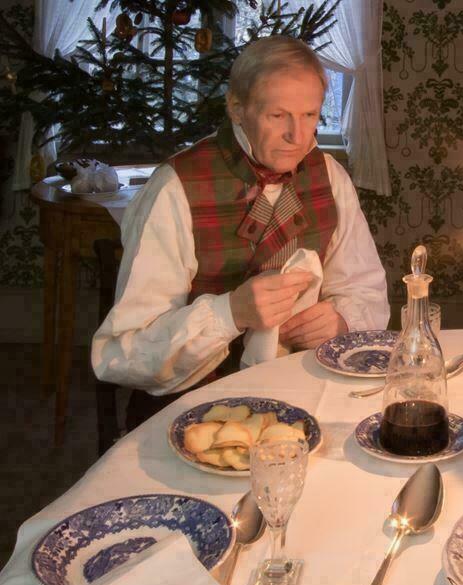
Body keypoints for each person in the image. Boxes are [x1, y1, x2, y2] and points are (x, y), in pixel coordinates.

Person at [91, 36, 389, 424]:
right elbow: (120, 353)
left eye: (310, 116)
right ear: (237, 108)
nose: (297, 137)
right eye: (277, 116)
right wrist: (229, 313)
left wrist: (341, 320)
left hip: (300, 398)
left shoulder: (330, 177)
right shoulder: (174, 187)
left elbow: (365, 288)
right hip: (189, 412)